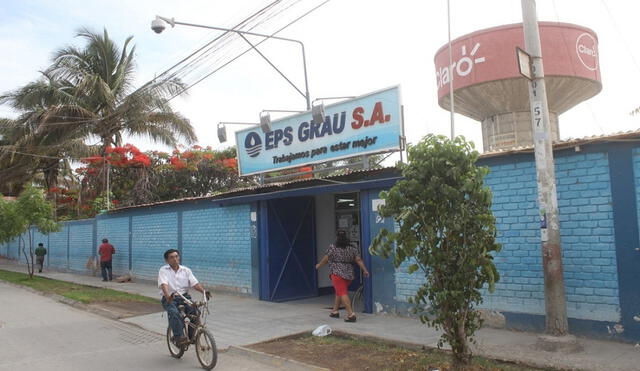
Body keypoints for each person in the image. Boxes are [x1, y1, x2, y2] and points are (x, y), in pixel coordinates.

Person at [315, 229, 369, 322]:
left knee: (343, 293)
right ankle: (335, 311)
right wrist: (365, 270)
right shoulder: (352, 248)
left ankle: (351, 314)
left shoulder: (333, 247)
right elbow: (358, 260)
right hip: (349, 274)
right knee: (339, 292)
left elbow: (326, 259)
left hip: (337, 273)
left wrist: (318, 265)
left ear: (337, 237)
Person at [158, 249, 207, 346]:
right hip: (170, 297)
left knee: (195, 312)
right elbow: (164, 284)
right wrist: (168, 296)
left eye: (176, 256)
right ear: (167, 260)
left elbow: (195, 284)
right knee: (174, 313)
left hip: (184, 297)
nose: (175, 259)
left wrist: (204, 292)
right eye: (171, 257)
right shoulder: (163, 270)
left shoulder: (186, 270)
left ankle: (190, 336)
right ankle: (179, 337)